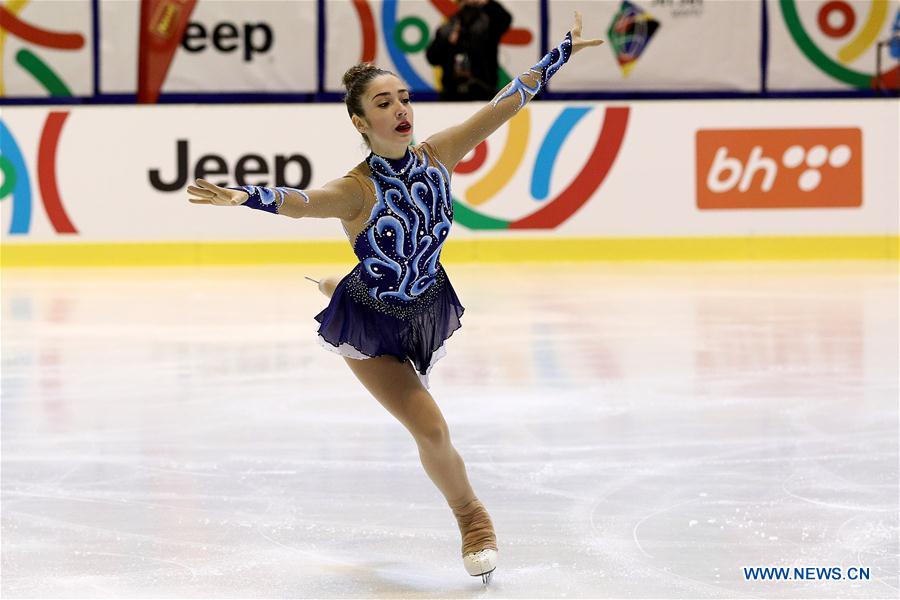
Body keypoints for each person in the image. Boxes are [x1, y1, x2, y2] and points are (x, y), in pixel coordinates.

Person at [186, 12, 603, 584]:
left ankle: (335, 282)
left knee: (424, 411)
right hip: (372, 327)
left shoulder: (438, 155)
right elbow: (302, 201)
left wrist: (562, 52)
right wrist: (243, 197)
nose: (400, 109)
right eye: (383, 103)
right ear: (360, 120)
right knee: (431, 428)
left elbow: (503, 105)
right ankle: (472, 517)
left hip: (428, 305)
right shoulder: (355, 190)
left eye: (403, 97)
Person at [425, 0, 512, 101]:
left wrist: (486, 2)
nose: (469, 7)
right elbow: (432, 58)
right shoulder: (448, 28)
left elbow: (505, 19)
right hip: (452, 93)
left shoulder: (488, 25)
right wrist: (448, 43)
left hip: (483, 90)